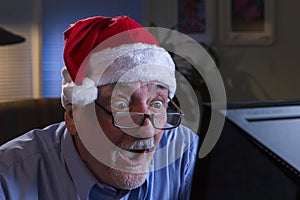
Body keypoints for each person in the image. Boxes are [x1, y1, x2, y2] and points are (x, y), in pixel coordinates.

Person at [0, 16, 199, 199]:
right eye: (121, 105)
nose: (146, 129)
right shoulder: (7, 178)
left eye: (156, 103)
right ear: (73, 117)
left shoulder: (187, 157)